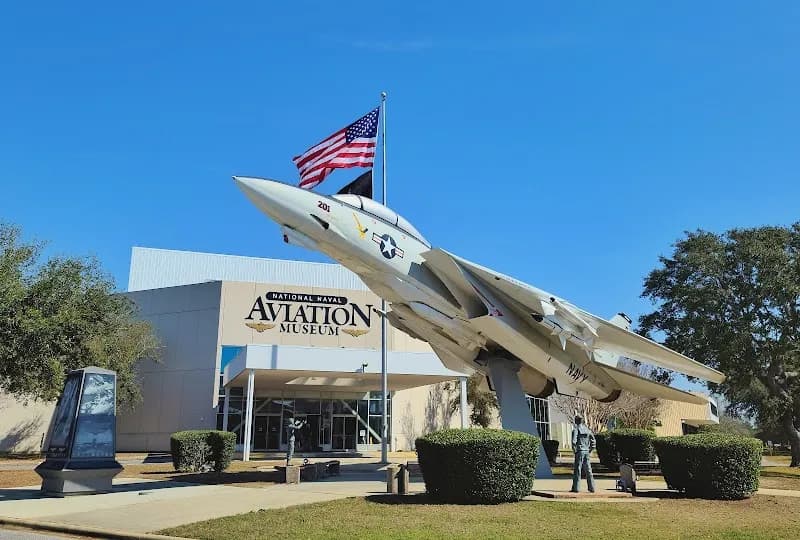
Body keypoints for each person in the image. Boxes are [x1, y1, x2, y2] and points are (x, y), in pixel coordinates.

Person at [570, 413, 596, 493]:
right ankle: (592, 488)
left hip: (580, 451)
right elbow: (593, 442)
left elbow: (574, 442)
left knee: (577, 470)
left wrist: (575, 451)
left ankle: (576, 488)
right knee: (588, 470)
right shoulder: (587, 430)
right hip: (586, 451)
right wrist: (590, 450)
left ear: (576, 421)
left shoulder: (576, 430)